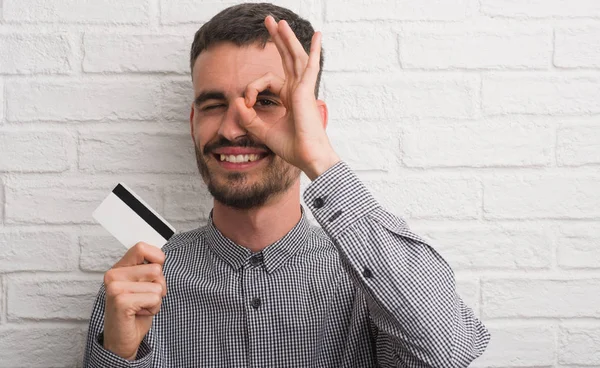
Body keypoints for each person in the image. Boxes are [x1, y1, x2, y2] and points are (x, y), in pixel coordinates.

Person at [83, 3, 490, 367]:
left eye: (265, 101)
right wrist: (120, 357)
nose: (231, 128)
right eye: (213, 105)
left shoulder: (373, 281)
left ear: (314, 120)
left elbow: (446, 352)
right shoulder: (137, 288)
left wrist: (320, 159)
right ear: (193, 124)